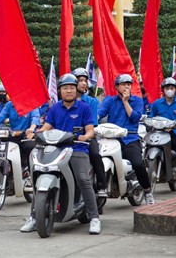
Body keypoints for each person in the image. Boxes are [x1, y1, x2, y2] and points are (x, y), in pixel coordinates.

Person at [20, 74, 101, 235]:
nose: (69, 91)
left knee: (83, 179)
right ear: (60, 91)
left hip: (78, 149)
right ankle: (35, 217)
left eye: (71, 87)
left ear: (76, 89)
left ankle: (94, 217)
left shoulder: (84, 107)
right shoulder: (55, 108)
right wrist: (35, 133)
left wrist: (85, 136)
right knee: (39, 175)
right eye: (65, 88)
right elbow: (47, 126)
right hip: (56, 149)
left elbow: (90, 130)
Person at [98, 74, 154, 204]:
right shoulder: (109, 101)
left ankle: (147, 191)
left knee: (138, 164)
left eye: (128, 84)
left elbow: (134, 118)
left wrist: (125, 101)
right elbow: (99, 114)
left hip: (130, 138)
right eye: (123, 84)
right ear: (117, 87)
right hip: (112, 139)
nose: (126, 86)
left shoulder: (137, 100)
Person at [72, 68, 107, 197]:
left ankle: (101, 186)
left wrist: (85, 135)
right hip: (67, 137)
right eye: (80, 80)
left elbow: (92, 124)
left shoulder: (92, 102)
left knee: (95, 155)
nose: (83, 83)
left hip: (87, 136)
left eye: (85, 81)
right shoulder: (64, 102)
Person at [0, 99, 40, 171]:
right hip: (13, 136)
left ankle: (31, 171)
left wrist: (31, 128)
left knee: (30, 147)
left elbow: (35, 118)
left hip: (27, 137)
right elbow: (0, 117)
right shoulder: (9, 105)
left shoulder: (32, 104)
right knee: (1, 148)